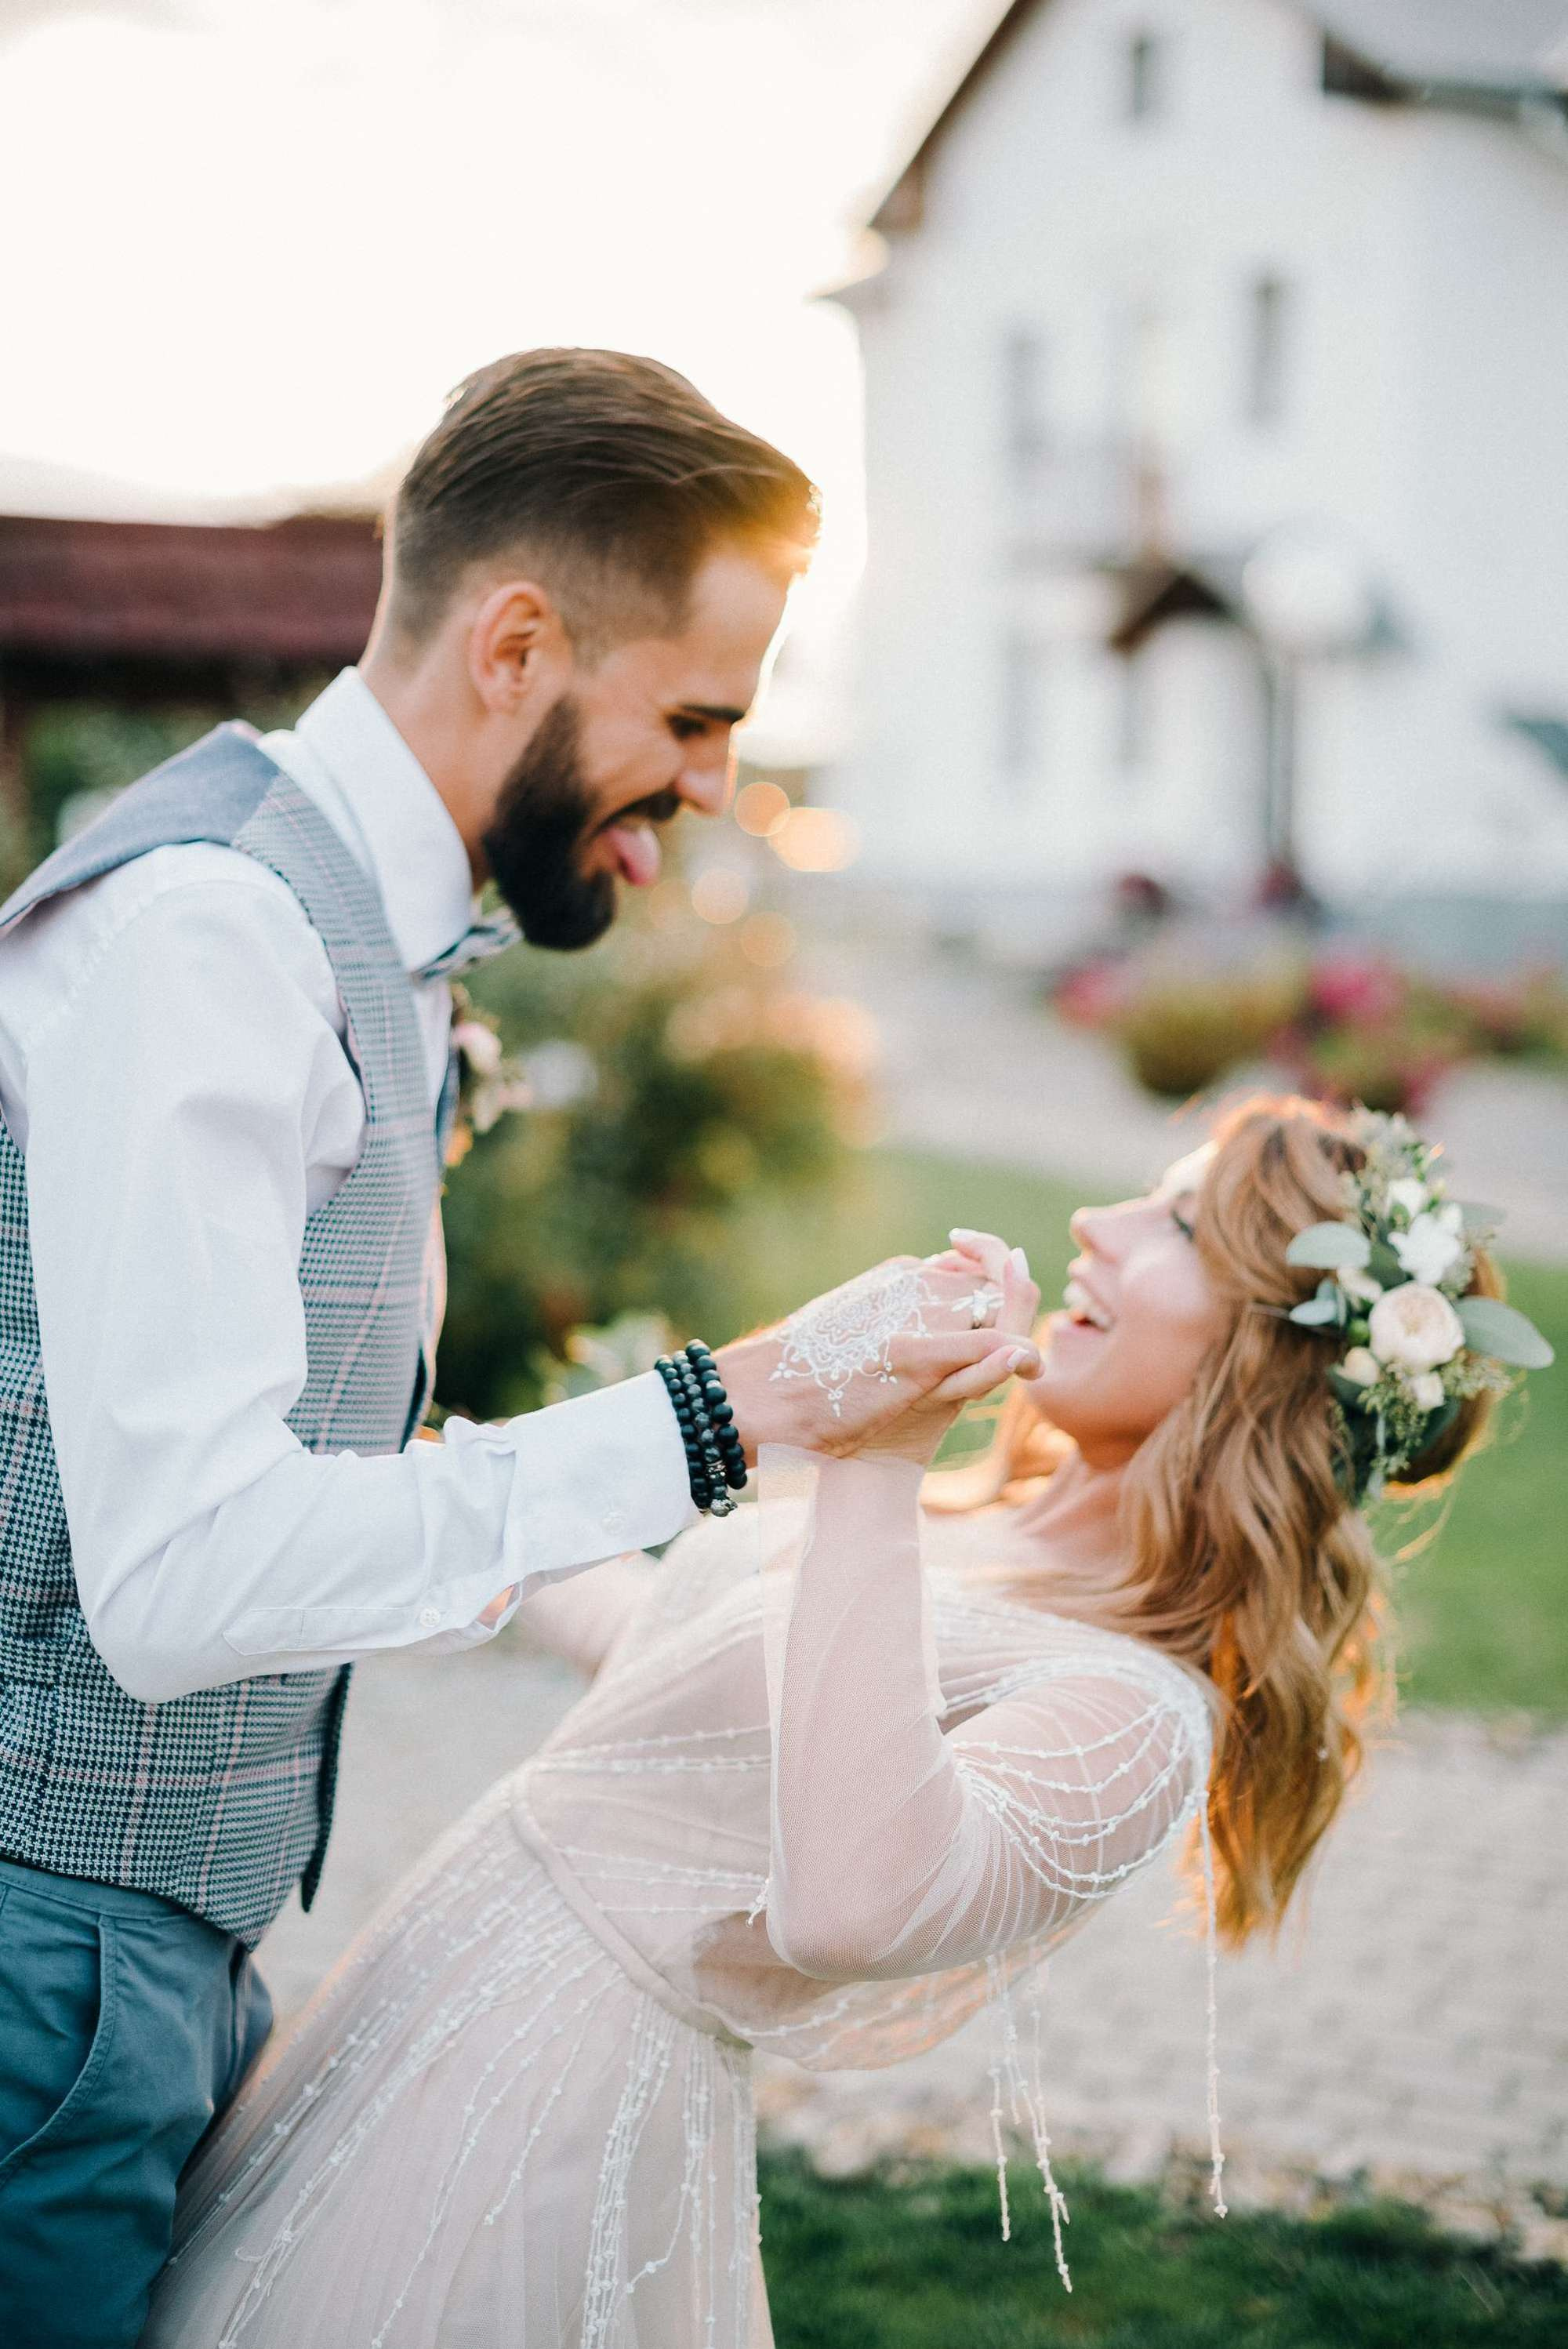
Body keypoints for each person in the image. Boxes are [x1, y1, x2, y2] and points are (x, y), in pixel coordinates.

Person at [0, 349, 1022, 2349]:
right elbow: (184, 1568)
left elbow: (287, 1442)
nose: (721, 785)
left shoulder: (334, 926)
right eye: (697, 716)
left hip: (139, 1957)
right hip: (44, 1958)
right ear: (519, 643)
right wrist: (742, 1408)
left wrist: (623, 1603)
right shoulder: (215, 935)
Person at [140, 1095, 1548, 2347]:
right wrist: (450, 1491)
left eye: (1178, 1221)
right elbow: (691, 1700)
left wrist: (871, 1465)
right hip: (440, 1985)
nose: (1094, 1222)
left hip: (541, 2098)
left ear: (1269, 1360)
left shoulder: (1137, 1716)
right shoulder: (996, 1522)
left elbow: (856, 1905)